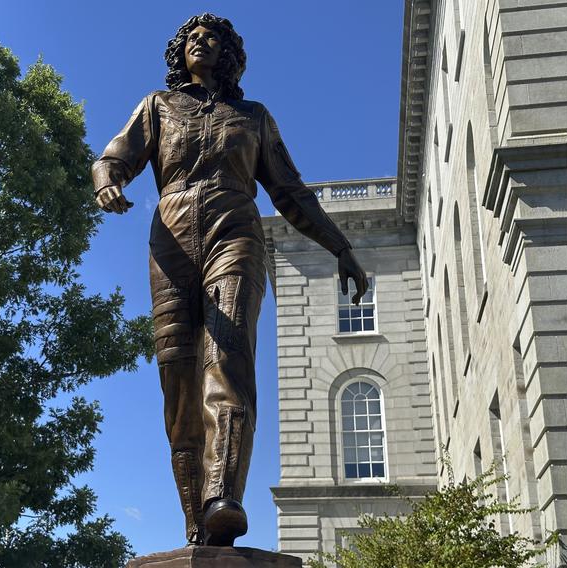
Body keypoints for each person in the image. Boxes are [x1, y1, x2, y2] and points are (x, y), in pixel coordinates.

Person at [92, 13, 368, 547]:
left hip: (235, 234)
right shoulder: (158, 106)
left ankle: (224, 496)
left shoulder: (253, 117)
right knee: (178, 380)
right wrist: (108, 179)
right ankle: (196, 518)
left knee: (227, 356)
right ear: (181, 52)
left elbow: (291, 192)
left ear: (228, 54)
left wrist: (342, 247)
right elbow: (114, 155)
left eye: (212, 38)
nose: (201, 43)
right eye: (193, 38)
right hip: (170, 245)